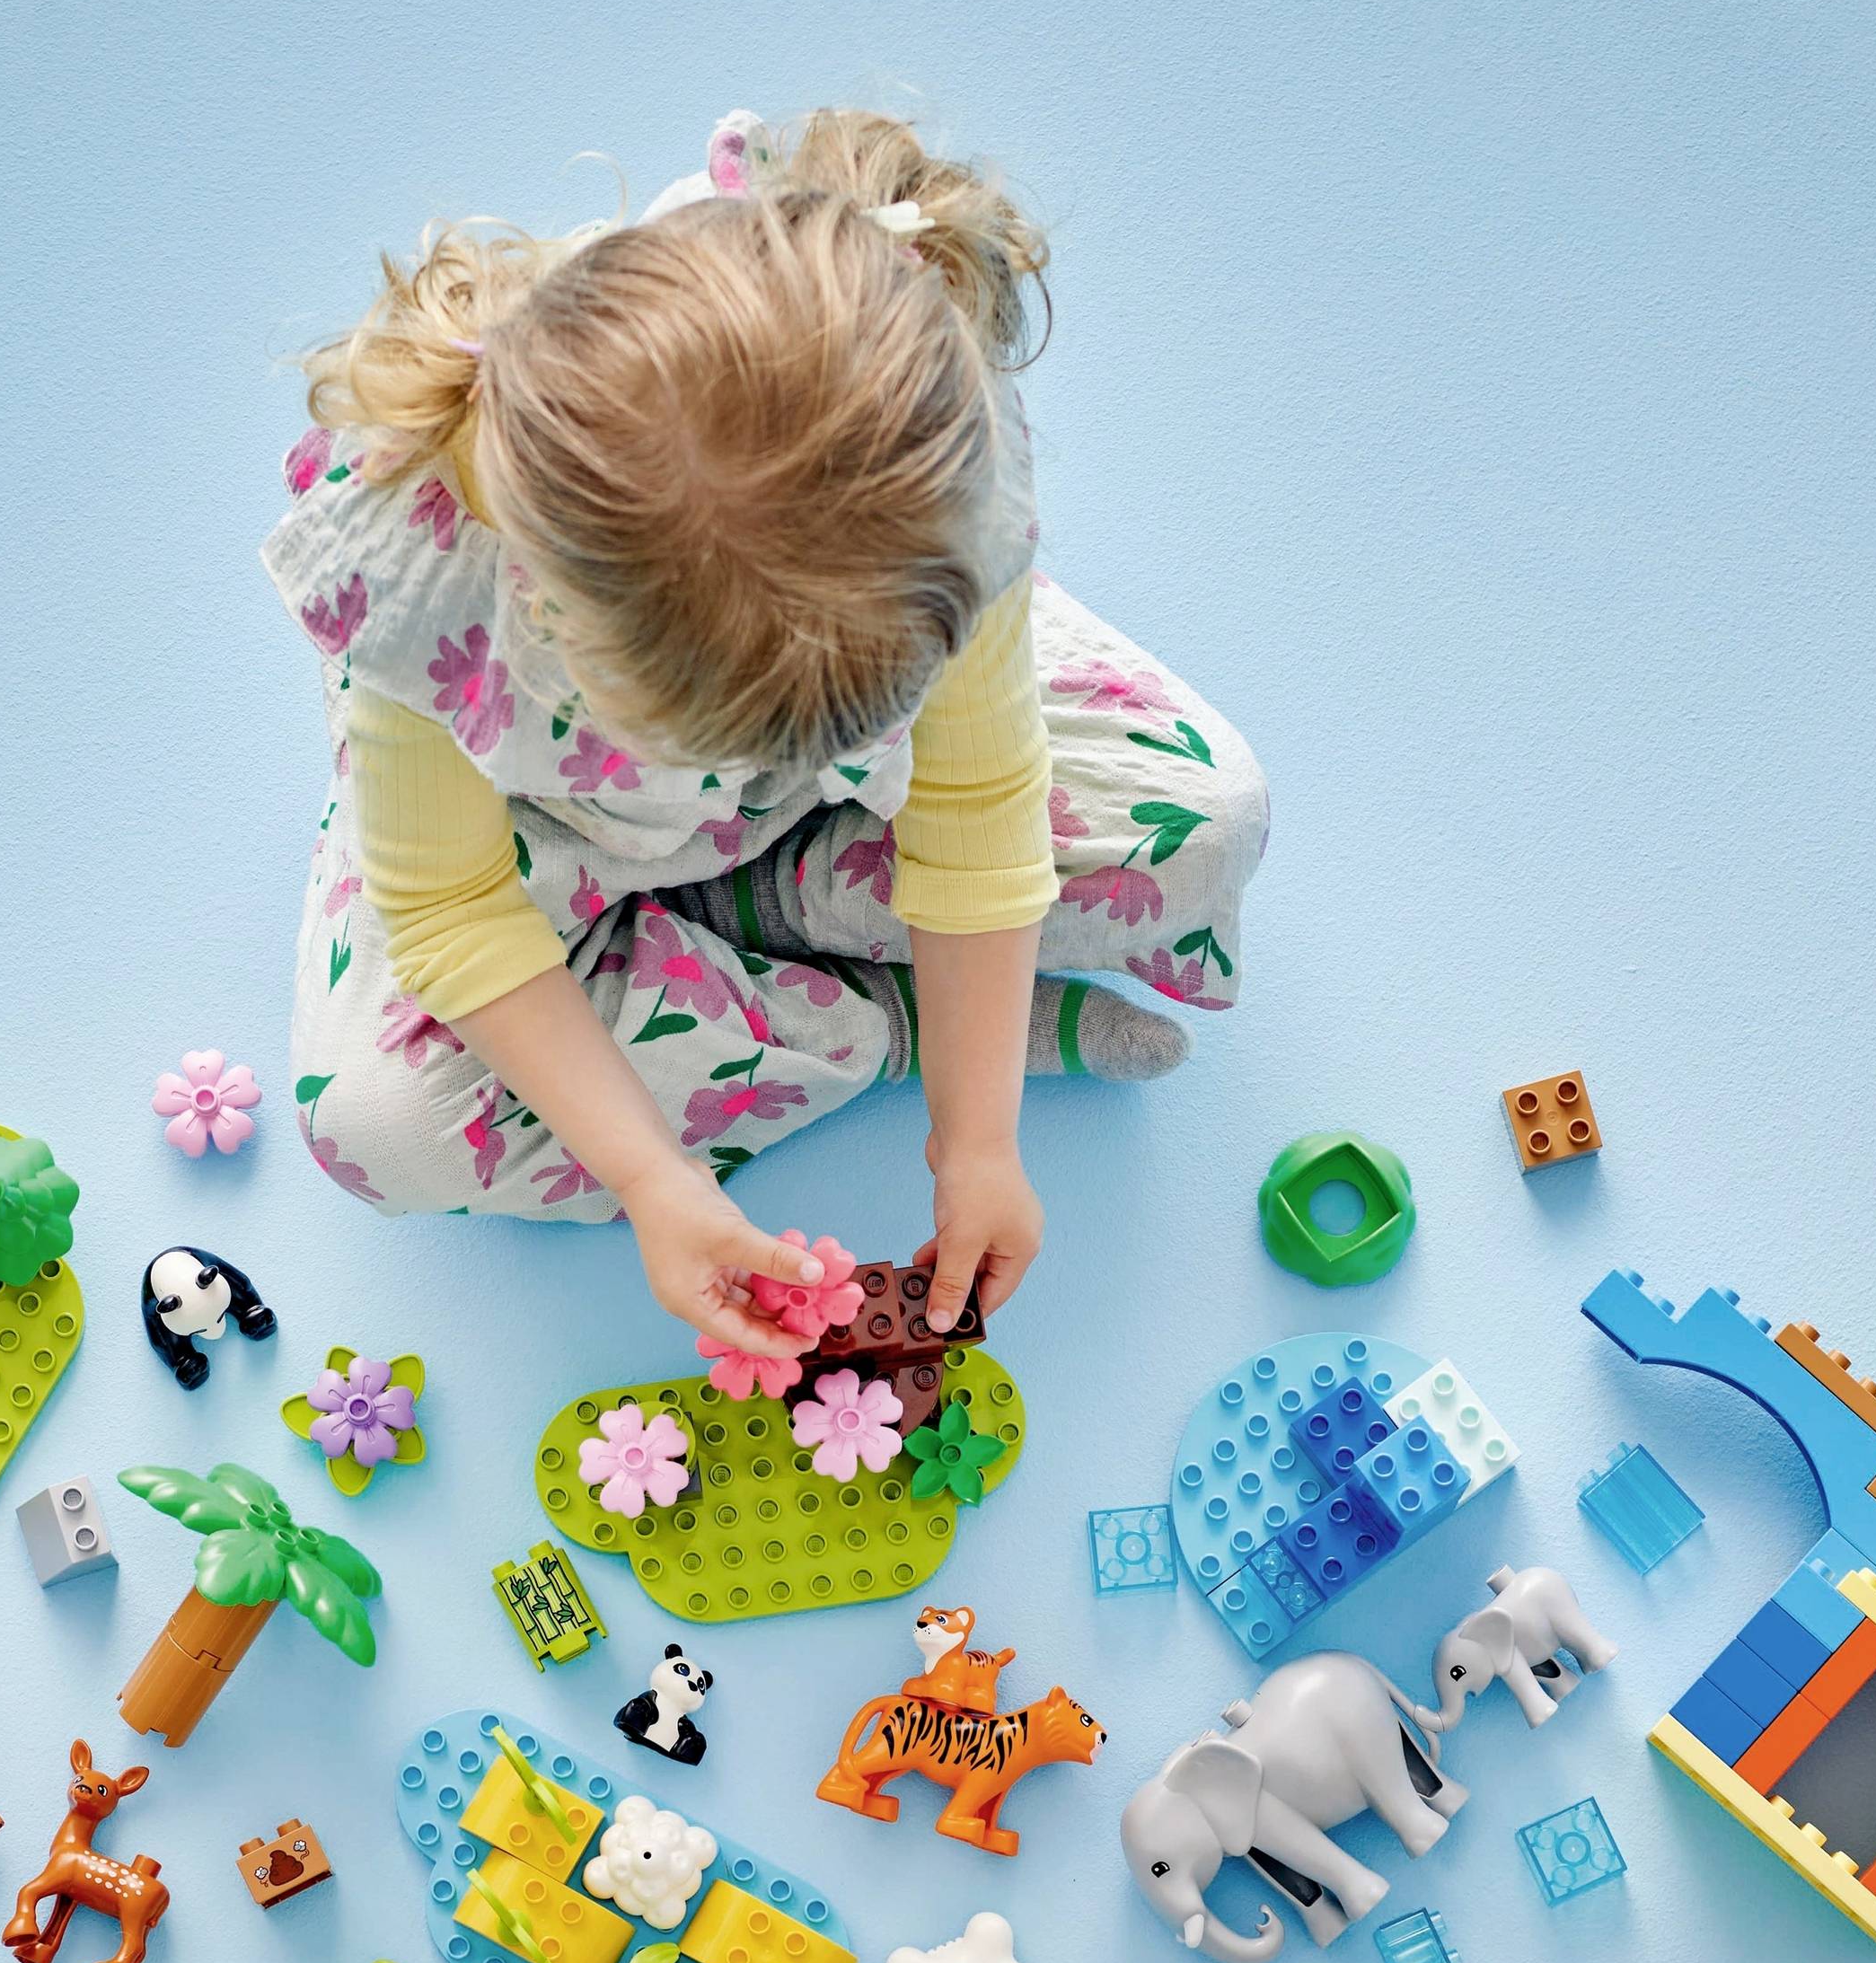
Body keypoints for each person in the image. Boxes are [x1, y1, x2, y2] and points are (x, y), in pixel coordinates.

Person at [264, 107, 1266, 1361]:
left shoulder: (920, 454)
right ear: (552, 611)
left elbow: (977, 808)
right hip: (550, 848)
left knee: (1209, 825)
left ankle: (750, 955)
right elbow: (454, 909)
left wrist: (980, 1141)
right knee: (381, 1125)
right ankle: (881, 1020)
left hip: (842, 784)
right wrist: (653, 1181)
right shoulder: (428, 573)